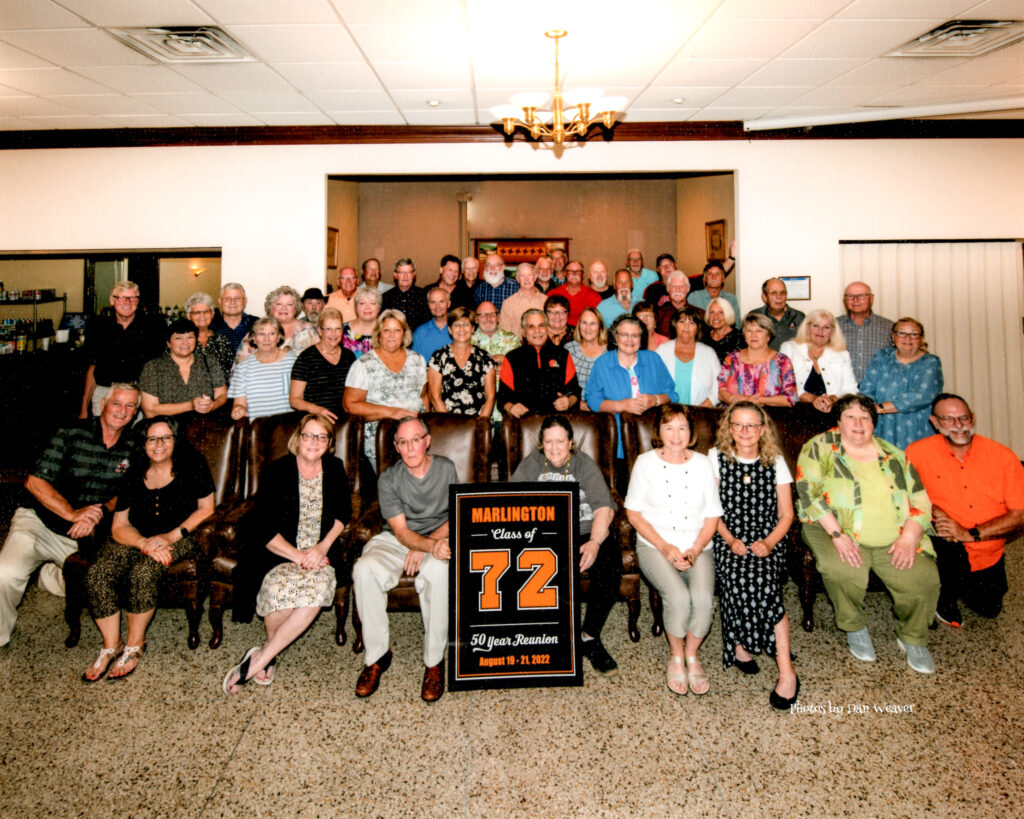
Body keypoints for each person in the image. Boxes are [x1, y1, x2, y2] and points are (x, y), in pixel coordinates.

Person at [796, 394, 939, 674]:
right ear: (839, 421)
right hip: (833, 527)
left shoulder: (894, 454)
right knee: (843, 568)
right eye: (850, 417)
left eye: (865, 417)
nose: (858, 424)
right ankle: (854, 626)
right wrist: (837, 535)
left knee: (923, 576)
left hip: (894, 535)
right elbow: (808, 493)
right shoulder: (819, 447)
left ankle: (913, 636)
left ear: (874, 423)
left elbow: (921, 501)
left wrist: (909, 537)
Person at [0, 384, 139, 648]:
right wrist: (73, 513)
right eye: (117, 403)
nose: (122, 411)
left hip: (85, 533)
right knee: (4, 574)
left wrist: (99, 512)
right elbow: (35, 482)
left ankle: (48, 574)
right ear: (102, 405)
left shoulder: (134, 446)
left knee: (99, 588)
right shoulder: (70, 433)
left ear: (136, 412)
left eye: (130, 406)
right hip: (40, 523)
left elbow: (124, 493)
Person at [223, 414, 351, 694]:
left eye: (322, 437)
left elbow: (343, 513)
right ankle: (269, 653)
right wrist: (298, 556)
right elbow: (262, 526)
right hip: (281, 552)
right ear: (298, 438)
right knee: (278, 593)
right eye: (309, 435)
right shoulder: (278, 470)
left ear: (329, 442)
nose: (314, 442)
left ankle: (261, 658)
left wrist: (321, 547)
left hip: (321, 554)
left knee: (316, 593)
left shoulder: (334, 467)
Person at [82, 416, 215, 681]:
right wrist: (144, 543)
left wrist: (170, 536)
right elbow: (119, 526)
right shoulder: (133, 472)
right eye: (152, 439)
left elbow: (207, 509)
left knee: (143, 573)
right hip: (138, 538)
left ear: (175, 441)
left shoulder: (194, 465)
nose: (159, 444)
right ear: (143, 444)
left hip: (180, 536)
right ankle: (111, 645)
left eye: (166, 438)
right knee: (97, 573)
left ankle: (134, 645)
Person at [352, 417, 455, 702]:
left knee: (439, 572)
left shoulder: (446, 468)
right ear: (396, 447)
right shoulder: (389, 478)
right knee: (364, 569)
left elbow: (456, 514)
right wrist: (421, 545)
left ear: (427, 441)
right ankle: (376, 657)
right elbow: (399, 531)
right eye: (402, 442)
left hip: (436, 539)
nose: (410, 448)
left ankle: (434, 661)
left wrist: (427, 545)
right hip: (397, 540)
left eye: (415, 440)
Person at [511, 416, 621, 675]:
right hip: (547, 535)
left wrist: (594, 543)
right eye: (549, 442)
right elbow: (510, 501)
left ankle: (589, 637)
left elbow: (604, 509)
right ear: (541, 443)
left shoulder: (584, 464)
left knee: (610, 566)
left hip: (585, 532)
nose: (554, 447)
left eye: (560, 441)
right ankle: (552, 637)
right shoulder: (532, 463)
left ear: (571, 442)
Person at [625, 404, 722, 695]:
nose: (676, 435)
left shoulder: (703, 463)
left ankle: (692, 654)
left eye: (682, 428)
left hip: (698, 544)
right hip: (655, 545)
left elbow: (712, 516)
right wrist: (665, 547)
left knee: (703, 600)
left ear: (691, 432)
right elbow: (633, 513)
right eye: (669, 428)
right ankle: (676, 655)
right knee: (678, 597)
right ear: (659, 432)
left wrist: (696, 548)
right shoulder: (645, 462)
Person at [906, 394, 1024, 626]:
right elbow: (903, 495)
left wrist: (969, 534)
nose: (958, 425)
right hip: (943, 542)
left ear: (973, 419)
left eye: (964, 418)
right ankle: (941, 596)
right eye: (948, 419)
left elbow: (1019, 515)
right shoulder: (917, 452)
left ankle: (956, 584)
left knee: (989, 608)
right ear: (934, 422)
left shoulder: (1003, 457)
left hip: (985, 547)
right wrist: (937, 513)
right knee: (947, 553)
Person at [709, 402, 798, 709]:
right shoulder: (715, 457)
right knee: (735, 576)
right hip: (727, 535)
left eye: (752, 425)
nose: (745, 431)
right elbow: (711, 510)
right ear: (729, 427)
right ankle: (739, 644)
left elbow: (786, 514)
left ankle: (786, 671)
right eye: (738, 424)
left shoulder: (776, 461)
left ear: (762, 429)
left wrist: (769, 543)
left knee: (764, 583)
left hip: (768, 537)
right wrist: (730, 539)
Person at [343, 310, 428, 466]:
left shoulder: (417, 360)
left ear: (404, 333)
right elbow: (350, 405)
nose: (392, 335)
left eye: (397, 330)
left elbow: (423, 397)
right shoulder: (363, 364)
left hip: (416, 437)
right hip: (381, 442)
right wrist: (391, 412)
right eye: (386, 330)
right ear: (378, 334)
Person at [586, 315, 676, 457]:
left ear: (641, 338)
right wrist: (620, 405)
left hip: (654, 437)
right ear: (615, 337)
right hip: (616, 440)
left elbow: (672, 394)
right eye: (624, 335)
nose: (630, 340)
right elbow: (592, 400)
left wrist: (655, 400)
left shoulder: (653, 359)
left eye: (635, 335)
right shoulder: (602, 363)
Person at [79, 280, 165, 418]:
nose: (127, 302)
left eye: (132, 298)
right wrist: (84, 409)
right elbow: (92, 369)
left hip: (139, 393)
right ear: (112, 300)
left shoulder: (152, 327)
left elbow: (157, 368)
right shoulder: (97, 327)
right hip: (106, 392)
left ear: (138, 301)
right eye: (122, 298)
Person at [859, 317, 943, 450]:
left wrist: (876, 409)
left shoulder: (930, 362)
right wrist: (865, 411)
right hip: (882, 427)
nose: (907, 338)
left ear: (921, 339)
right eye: (901, 333)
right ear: (893, 336)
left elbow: (920, 396)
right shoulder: (881, 357)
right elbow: (866, 389)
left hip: (917, 428)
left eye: (914, 334)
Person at [138, 317, 227, 419]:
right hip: (167, 425)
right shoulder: (153, 367)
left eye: (190, 337)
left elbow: (222, 394)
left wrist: (213, 405)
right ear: (168, 343)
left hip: (204, 423)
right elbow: (150, 410)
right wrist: (191, 405)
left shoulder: (208, 361)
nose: (185, 343)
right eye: (178, 338)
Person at [498, 309, 580, 418]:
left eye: (541, 325)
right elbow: (502, 398)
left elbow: (574, 392)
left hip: (557, 420)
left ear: (547, 328)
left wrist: (568, 402)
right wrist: (511, 407)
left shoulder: (563, 355)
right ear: (524, 332)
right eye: (531, 327)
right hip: (524, 421)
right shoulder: (512, 357)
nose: (537, 331)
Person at [779, 309, 858, 414]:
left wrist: (832, 399)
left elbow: (851, 388)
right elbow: (783, 384)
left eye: (826, 327)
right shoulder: (789, 348)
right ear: (807, 327)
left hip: (831, 411)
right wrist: (813, 399)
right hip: (795, 411)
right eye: (815, 326)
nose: (820, 331)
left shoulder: (842, 353)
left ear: (833, 331)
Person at [289, 308, 356, 423]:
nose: (333, 334)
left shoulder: (349, 357)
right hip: (316, 420)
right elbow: (294, 400)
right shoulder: (306, 358)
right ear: (320, 331)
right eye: (328, 329)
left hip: (345, 421)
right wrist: (317, 410)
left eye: (338, 329)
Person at [427, 306, 495, 418]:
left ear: (472, 328)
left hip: (477, 423)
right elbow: (434, 397)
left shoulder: (485, 358)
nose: (462, 329)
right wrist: (451, 425)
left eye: (466, 324)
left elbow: (490, 397)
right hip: (446, 422)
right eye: (457, 325)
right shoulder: (438, 357)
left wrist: (480, 424)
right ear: (450, 329)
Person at [717, 313, 797, 407]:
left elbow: (791, 398)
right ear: (744, 335)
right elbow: (721, 392)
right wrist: (732, 400)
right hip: (735, 412)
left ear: (768, 336)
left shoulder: (782, 361)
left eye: (759, 331)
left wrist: (757, 400)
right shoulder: (732, 359)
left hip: (769, 414)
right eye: (749, 331)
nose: (753, 335)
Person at [228, 317, 296, 421]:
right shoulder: (242, 368)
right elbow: (239, 404)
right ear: (254, 338)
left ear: (279, 337)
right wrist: (238, 410)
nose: (266, 339)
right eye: (261, 334)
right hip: (257, 427)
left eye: (272, 334)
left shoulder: (292, 361)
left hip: (288, 425)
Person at [655, 306, 720, 408]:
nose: (686, 326)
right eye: (682, 322)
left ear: (698, 328)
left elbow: (719, 386)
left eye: (691, 323)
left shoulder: (709, 353)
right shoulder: (662, 350)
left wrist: (700, 409)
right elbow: (653, 382)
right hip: (667, 412)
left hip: (700, 412)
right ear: (675, 325)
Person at [237, 286, 318, 363]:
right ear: (270, 308)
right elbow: (240, 365)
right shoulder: (257, 332)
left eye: (289, 304)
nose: (284, 308)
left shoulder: (312, 331)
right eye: (279, 304)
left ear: (296, 308)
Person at [836, 281, 893, 382]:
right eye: (850, 296)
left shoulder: (889, 327)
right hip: (841, 388)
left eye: (861, 296)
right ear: (844, 300)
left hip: (877, 389)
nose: (855, 300)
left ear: (871, 298)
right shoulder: (832, 326)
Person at [185, 291, 235, 384]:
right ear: (188, 316)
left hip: (221, 391)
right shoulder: (182, 342)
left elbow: (232, 373)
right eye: (197, 312)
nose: (202, 316)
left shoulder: (223, 340)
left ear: (212, 314)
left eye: (206, 311)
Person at [565, 307, 607, 406]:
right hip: (574, 407)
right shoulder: (568, 349)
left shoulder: (610, 352)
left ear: (600, 327)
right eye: (584, 323)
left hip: (603, 408)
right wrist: (577, 403)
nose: (588, 328)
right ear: (579, 325)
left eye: (593, 323)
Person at [752, 278, 805, 351]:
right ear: (764, 297)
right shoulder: (755, 316)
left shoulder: (799, 317)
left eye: (782, 293)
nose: (779, 297)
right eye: (773, 293)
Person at [499, 263, 546, 336]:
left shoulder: (545, 300)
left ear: (535, 277)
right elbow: (505, 334)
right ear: (518, 279)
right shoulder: (508, 303)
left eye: (529, 275)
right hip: (517, 343)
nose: (526, 279)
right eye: (522, 276)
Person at [550, 259, 601, 326]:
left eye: (577, 271)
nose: (574, 274)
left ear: (583, 275)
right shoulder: (553, 294)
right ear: (565, 274)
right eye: (570, 271)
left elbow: (598, 322)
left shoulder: (594, 296)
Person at [382, 258, 429, 330]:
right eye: (401, 273)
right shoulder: (386, 297)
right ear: (395, 275)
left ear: (414, 274)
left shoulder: (424, 296)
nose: (405, 276)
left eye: (409, 272)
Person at [211, 282, 256, 354]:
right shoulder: (211, 326)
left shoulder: (257, 324)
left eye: (237, 298)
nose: (233, 302)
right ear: (220, 301)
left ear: (245, 301)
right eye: (228, 299)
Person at [411, 287, 452, 360]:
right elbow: (416, 362)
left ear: (448, 304)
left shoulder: (459, 329)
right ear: (428, 305)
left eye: (441, 301)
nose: (437, 306)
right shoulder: (420, 332)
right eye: (433, 302)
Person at [343, 287, 381, 359]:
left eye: (372, 303)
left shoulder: (388, 331)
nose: (367, 307)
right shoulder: (342, 331)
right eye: (362, 303)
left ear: (379, 307)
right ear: (356, 307)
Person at [703, 297, 744, 361]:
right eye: (712, 312)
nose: (715, 316)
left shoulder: (739, 338)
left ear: (728, 315)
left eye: (721, 312)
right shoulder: (703, 337)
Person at [654, 270, 691, 337]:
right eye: (674, 286)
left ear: (688, 289)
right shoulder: (659, 316)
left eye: (681, 286)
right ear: (668, 289)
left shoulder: (699, 314)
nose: (678, 290)